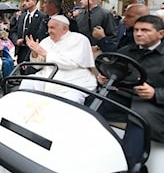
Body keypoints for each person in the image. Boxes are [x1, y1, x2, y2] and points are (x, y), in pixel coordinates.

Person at [97, 15, 164, 164]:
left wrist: (155, 93)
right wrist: (106, 78)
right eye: (136, 30)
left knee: (140, 117)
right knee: (94, 102)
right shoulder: (127, 50)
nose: (138, 34)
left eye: (145, 30)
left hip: (155, 103)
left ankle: (130, 164)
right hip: (126, 96)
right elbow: (116, 71)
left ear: (161, 33)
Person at [20, 15, 97, 104]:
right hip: (47, 77)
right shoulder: (46, 41)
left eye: (52, 28)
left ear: (64, 29)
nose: (49, 31)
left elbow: (70, 63)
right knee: (28, 82)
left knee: (70, 100)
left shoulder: (79, 39)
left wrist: (45, 53)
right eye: (48, 27)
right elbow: (37, 66)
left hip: (72, 80)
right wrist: (35, 53)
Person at [10, 0, 48, 74]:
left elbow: (41, 35)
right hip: (21, 50)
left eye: (27, 1)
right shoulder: (22, 16)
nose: (24, 3)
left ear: (34, 2)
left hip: (33, 51)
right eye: (24, 1)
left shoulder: (42, 17)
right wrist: (16, 40)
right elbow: (13, 31)